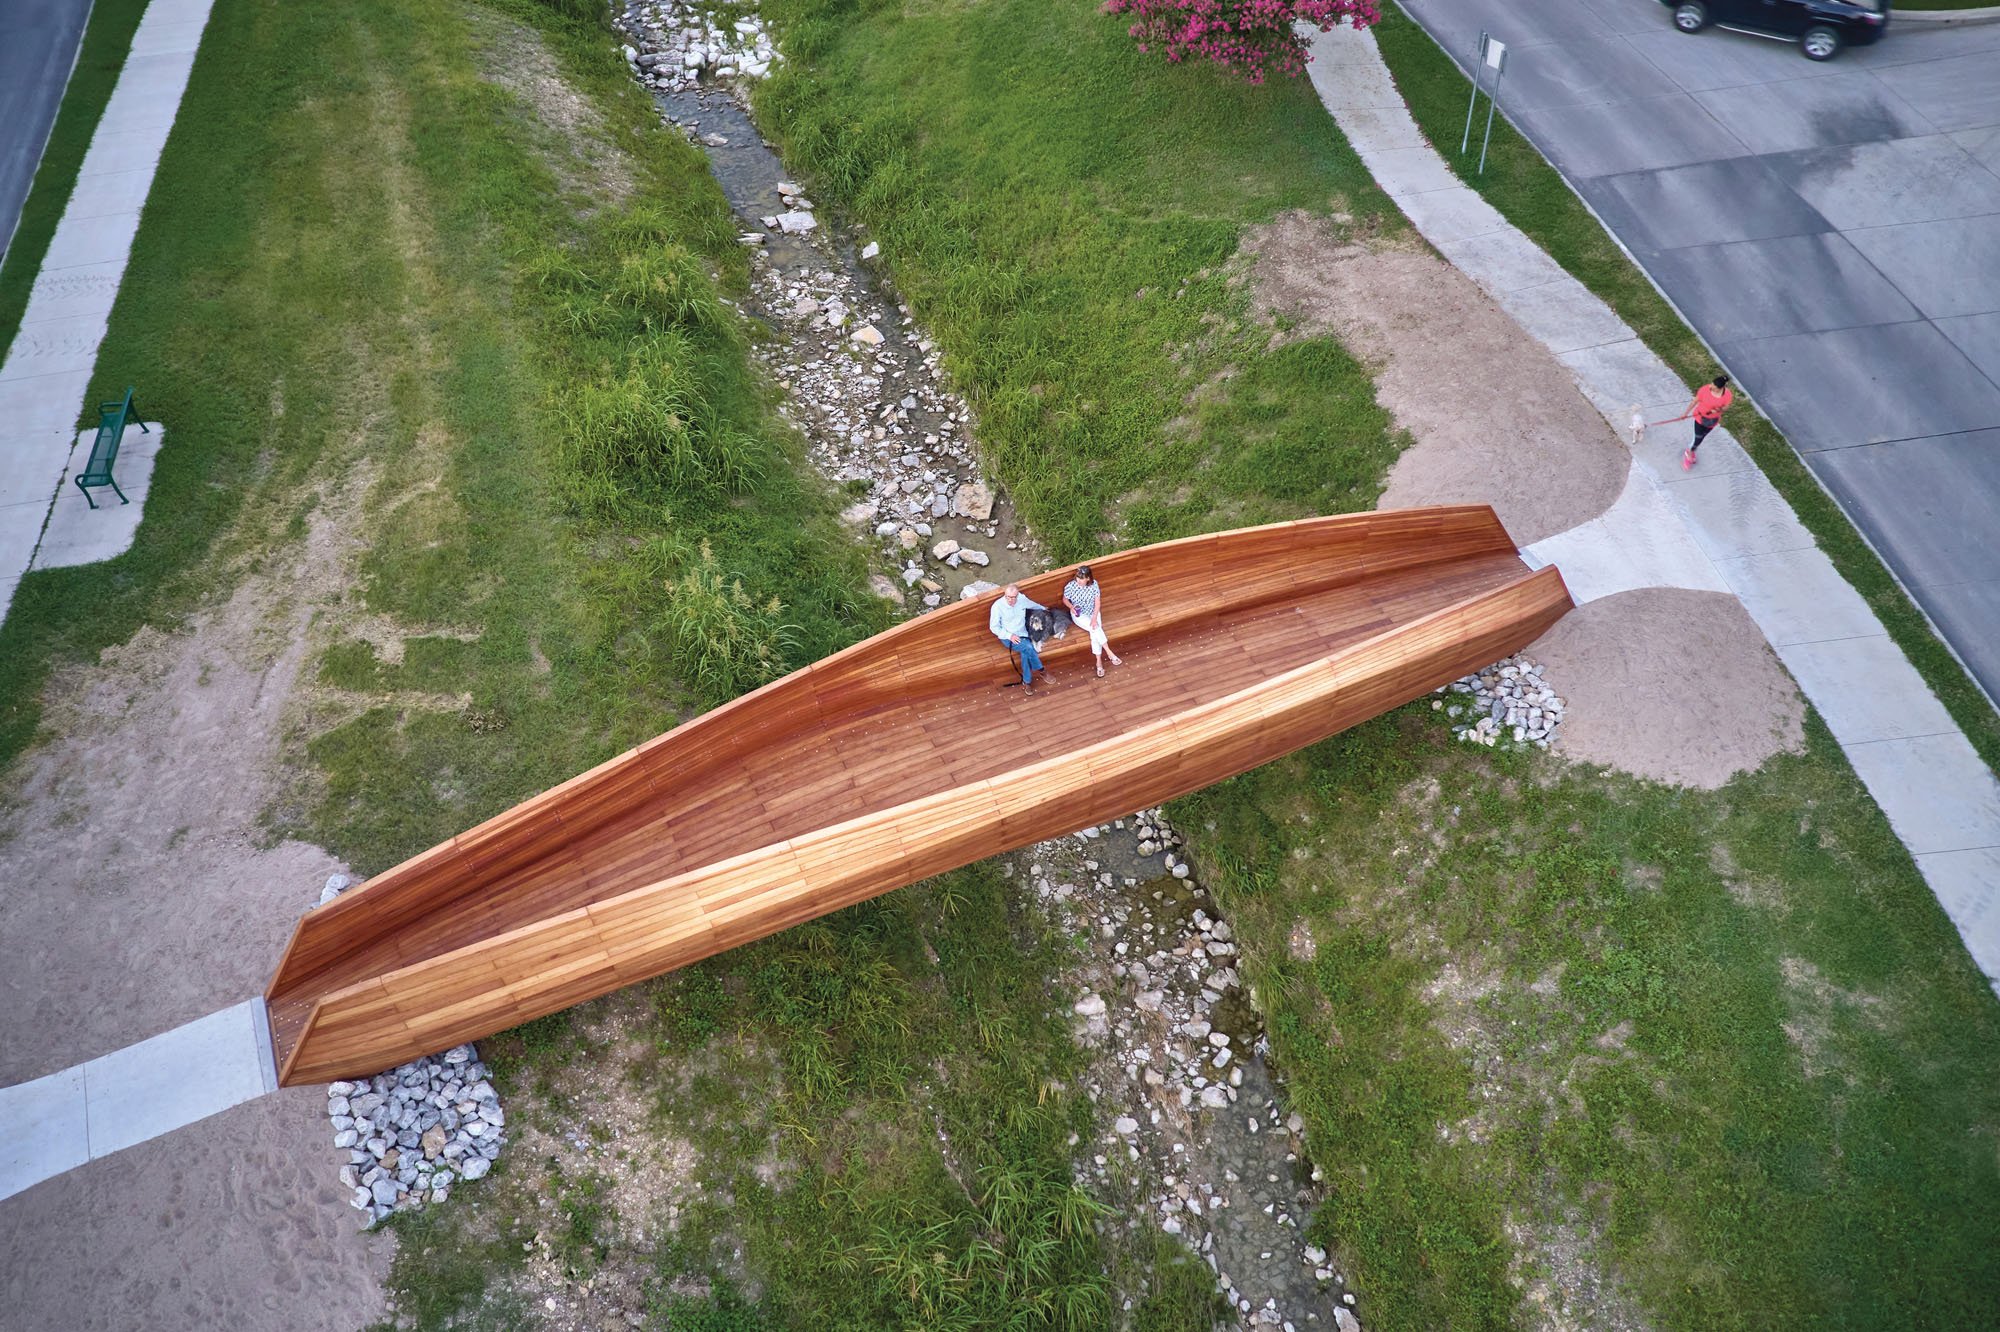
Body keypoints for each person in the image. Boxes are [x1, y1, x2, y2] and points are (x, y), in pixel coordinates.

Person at [989, 583, 1054, 694]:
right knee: (1028, 647)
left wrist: (1044, 609)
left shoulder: (1022, 599)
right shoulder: (997, 606)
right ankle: (1041, 670)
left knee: (1026, 652)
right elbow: (993, 627)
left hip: (1023, 634)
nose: (1010, 600)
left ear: (1017, 595)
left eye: (1013, 597)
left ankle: (1027, 681)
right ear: (1005, 595)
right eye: (1008, 597)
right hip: (1008, 638)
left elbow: (1032, 605)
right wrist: (1009, 636)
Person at [1062, 564, 1121, 678]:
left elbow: (1097, 603)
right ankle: (1109, 652)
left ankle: (1099, 662)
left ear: (1088, 578)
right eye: (1077, 578)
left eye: (1081, 578)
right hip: (1079, 614)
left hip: (1093, 612)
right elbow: (1065, 599)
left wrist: (1094, 618)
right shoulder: (1071, 586)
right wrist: (1071, 607)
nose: (1078, 580)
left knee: (1094, 630)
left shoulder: (1094, 585)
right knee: (1095, 628)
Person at [1683, 374, 1733, 470]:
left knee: (1701, 438)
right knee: (1697, 438)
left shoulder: (1727, 395)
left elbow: (1726, 408)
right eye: (1711, 384)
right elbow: (1694, 401)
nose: (1711, 387)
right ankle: (1688, 453)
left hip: (1712, 421)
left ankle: (1692, 450)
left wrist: (1718, 410)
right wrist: (1685, 413)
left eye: (1714, 387)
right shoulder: (1705, 390)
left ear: (1721, 388)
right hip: (1700, 417)